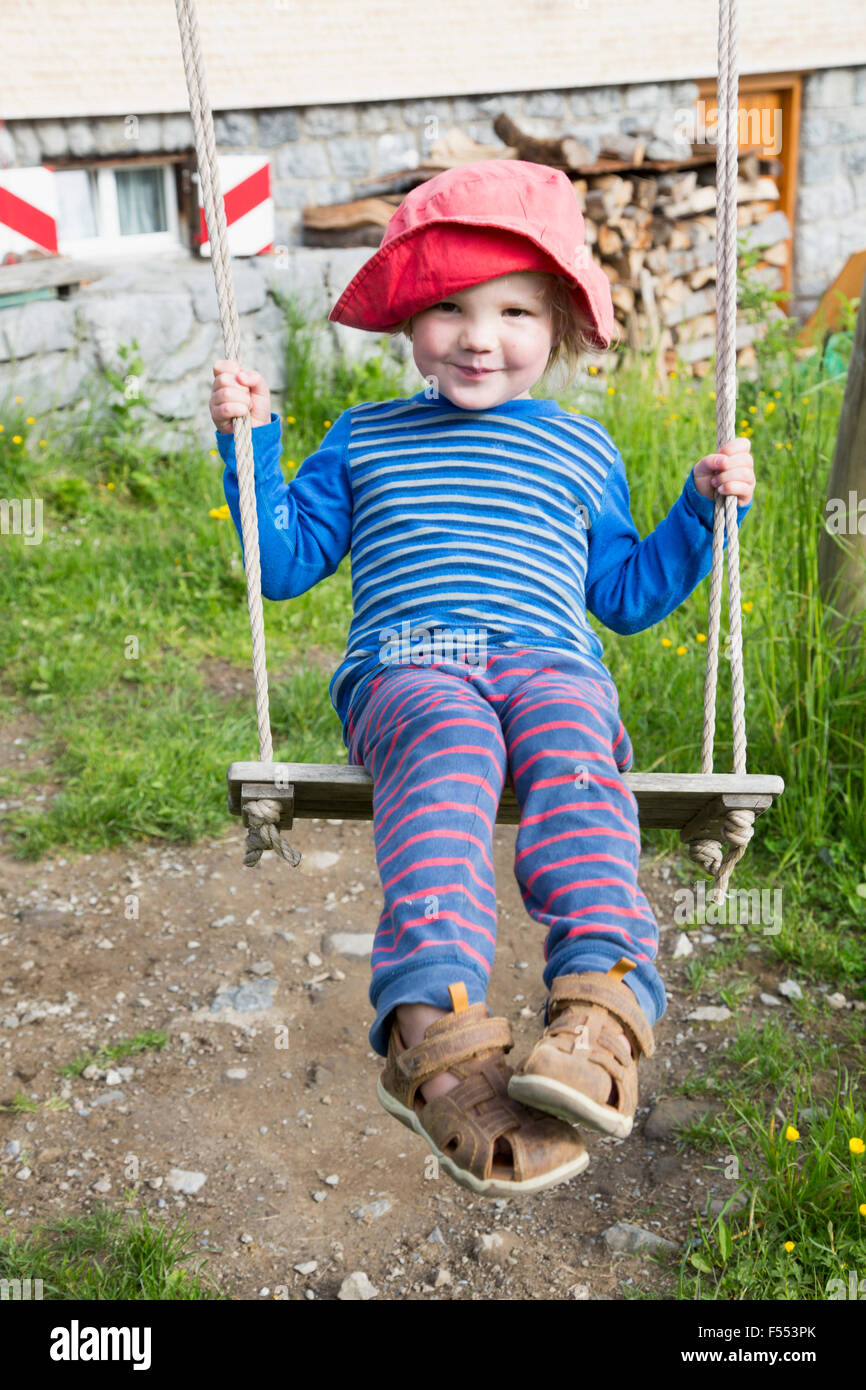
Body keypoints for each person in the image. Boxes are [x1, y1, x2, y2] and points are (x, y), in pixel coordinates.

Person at [209, 159, 756, 1197]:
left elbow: (625, 595)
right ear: (409, 318)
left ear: (558, 326)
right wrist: (250, 446)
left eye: (512, 310)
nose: (477, 335)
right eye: (450, 307)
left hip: (550, 663)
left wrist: (699, 512)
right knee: (449, 747)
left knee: (572, 746)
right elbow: (283, 568)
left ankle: (598, 1000)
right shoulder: (362, 437)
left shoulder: (579, 448)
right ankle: (433, 1025)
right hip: (413, 668)